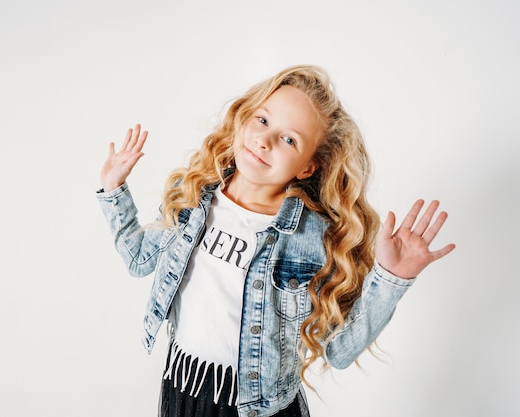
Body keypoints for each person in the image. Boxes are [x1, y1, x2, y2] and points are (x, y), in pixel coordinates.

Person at [96, 65, 455, 417]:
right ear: (244, 118)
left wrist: (393, 278)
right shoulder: (191, 195)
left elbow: (339, 351)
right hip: (184, 389)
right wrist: (113, 190)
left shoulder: (312, 237)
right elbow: (138, 259)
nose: (265, 140)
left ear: (307, 167)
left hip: (258, 408)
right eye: (263, 120)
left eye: (289, 139)